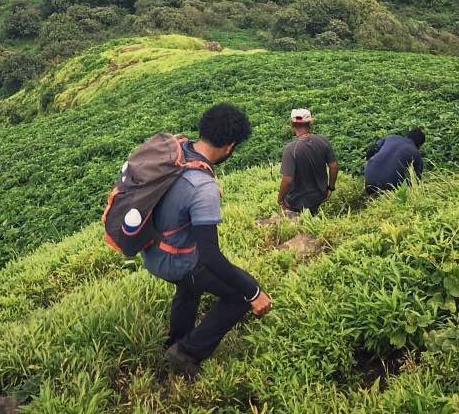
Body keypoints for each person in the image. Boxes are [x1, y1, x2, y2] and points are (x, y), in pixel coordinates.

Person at [142, 103, 271, 379]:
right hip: (174, 260)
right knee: (237, 296)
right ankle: (186, 353)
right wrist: (253, 291)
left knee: (190, 288)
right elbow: (210, 255)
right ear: (230, 146)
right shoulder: (202, 187)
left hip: (150, 249)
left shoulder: (180, 149)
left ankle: (176, 339)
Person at [277, 108, 337, 219]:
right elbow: (333, 166)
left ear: (292, 125)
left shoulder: (290, 149)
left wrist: (280, 200)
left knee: (288, 218)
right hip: (320, 196)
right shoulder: (323, 141)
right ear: (310, 123)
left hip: (297, 202)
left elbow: (287, 180)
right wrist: (330, 188)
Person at [363, 127, 425, 193]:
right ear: (419, 145)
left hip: (368, 175)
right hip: (389, 184)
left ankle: (370, 191)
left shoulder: (391, 138)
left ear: (407, 136)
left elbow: (371, 150)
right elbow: (416, 180)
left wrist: (368, 163)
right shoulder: (416, 153)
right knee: (404, 182)